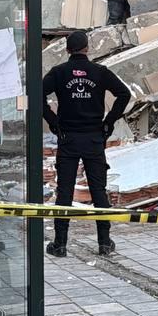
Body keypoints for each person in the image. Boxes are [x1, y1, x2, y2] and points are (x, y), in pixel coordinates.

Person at [42, 30, 132, 257]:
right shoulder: (99, 72)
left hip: (68, 138)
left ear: (67, 49)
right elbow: (124, 93)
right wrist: (108, 122)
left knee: (64, 192)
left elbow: (36, 94)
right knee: (98, 191)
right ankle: (104, 242)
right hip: (93, 138)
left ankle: (60, 244)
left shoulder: (60, 72)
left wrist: (53, 121)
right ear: (87, 48)